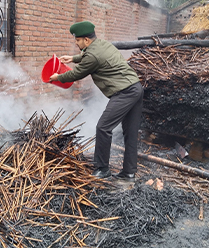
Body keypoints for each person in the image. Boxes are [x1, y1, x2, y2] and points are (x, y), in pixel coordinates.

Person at [49, 21, 143, 182]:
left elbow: (76, 74)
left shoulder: (91, 55)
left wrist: (58, 77)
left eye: (77, 40)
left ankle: (102, 169)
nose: (76, 43)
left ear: (86, 40)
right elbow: (90, 56)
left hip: (124, 92)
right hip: (135, 88)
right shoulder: (101, 44)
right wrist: (72, 58)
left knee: (103, 127)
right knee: (130, 132)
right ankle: (129, 172)